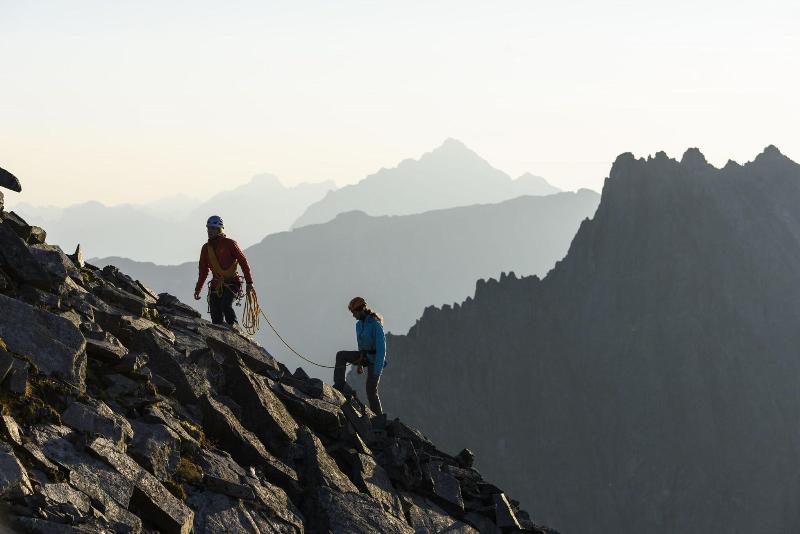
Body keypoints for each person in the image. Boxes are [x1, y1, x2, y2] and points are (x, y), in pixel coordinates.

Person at [194, 215, 254, 328]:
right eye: (208, 228)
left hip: (232, 283)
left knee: (226, 306)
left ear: (219, 230)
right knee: (215, 312)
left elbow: (243, 261)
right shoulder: (206, 248)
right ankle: (219, 335)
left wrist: (249, 282)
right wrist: (198, 288)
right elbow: (203, 271)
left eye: (213, 228)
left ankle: (235, 330)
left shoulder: (230, 243)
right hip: (216, 284)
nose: (210, 231)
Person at [334, 296, 387, 415]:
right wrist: (360, 364)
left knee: (371, 390)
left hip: (375, 360)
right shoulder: (359, 325)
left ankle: (378, 417)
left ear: (361, 310)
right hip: (365, 356)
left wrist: (377, 371)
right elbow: (361, 346)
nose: (353, 315)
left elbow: (381, 350)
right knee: (341, 355)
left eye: (354, 312)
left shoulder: (375, 324)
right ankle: (339, 385)